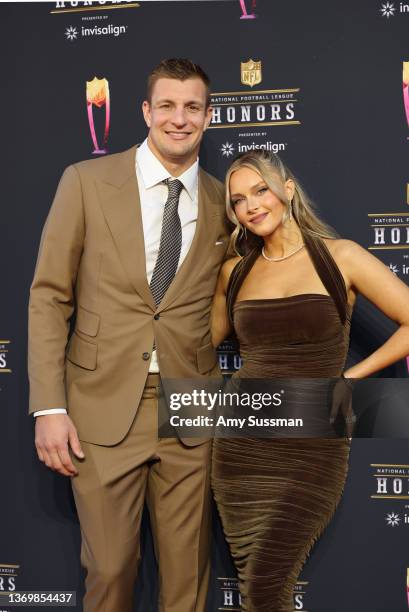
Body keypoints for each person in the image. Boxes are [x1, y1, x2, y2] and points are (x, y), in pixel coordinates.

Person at [28, 58, 228, 612]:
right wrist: (48, 406)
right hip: (101, 407)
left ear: (208, 117)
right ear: (145, 111)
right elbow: (49, 295)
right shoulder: (86, 182)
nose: (179, 119)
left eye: (192, 107)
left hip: (191, 411)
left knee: (187, 583)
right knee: (112, 572)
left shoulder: (222, 201)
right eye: (167, 105)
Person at [210, 150, 409, 611]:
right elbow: (197, 344)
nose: (252, 206)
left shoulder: (341, 257)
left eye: (261, 190)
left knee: (265, 587)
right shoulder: (234, 272)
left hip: (312, 446)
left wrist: (348, 378)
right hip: (241, 447)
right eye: (238, 200)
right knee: (254, 587)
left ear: (288, 190)